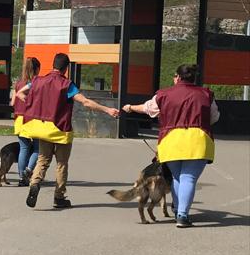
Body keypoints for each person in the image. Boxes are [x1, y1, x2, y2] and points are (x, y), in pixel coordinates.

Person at [17, 53, 119, 209]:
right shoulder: (66, 85)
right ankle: (59, 197)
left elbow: (20, 93)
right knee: (61, 164)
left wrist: (33, 105)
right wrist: (107, 110)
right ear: (66, 68)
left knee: (42, 160)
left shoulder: (38, 81)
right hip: (60, 129)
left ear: (53, 65)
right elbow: (85, 102)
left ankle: (34, 183)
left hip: (43, 128)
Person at [122, 64, 219, 228]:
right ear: (194, 78)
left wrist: (130, 108)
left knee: (176, 177)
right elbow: (213, 117)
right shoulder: (206, 94)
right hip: (198, 141)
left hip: (170, 141)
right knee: (189, 178)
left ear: (178, 77)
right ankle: (182, 215)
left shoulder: (163, 94)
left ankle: (177, 210)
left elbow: (147, 108)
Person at [10, 57, 41, 186]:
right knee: (38, 149)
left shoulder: (18, 83)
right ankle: (29, 171)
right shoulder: (36, 83)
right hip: (31, 119)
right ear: (37, 69)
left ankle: (22, 178)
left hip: (18, 119)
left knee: (24, 148)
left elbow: (12, 102)